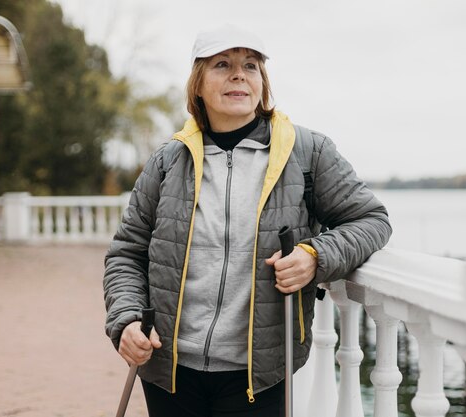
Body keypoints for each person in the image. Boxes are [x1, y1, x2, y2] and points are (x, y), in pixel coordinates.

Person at [103, 24, 392, 417]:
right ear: (198, 84)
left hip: (259, 374)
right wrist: (126, 321)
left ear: (262, 83)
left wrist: (316, 255)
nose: (239, 74)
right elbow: (127, 254)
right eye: (223, 64)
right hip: (168, 371)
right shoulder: (167, 161)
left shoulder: (308, 153)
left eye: (251, 65)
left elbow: (371, 219)